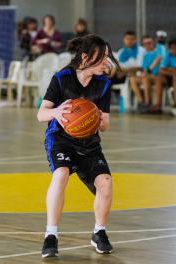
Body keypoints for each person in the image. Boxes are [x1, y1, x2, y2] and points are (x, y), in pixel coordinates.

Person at [37, 34, 119, 258]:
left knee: (106, 184)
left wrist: (101, 120)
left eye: (107, 57)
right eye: (102, 57)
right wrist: (55, 112)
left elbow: (106, 125)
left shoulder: (103, 84)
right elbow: (41, 114)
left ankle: (99, 232)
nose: (107, 61)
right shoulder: (62, 78)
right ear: (85, 57)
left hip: (89, 142)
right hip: (60, 138)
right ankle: (50, 235)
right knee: (61, 174)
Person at [129, 35, 163, 113]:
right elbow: (143, 68)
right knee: (132, 79)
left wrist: (146, 72)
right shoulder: (144, 55)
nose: (147, 45)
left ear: (153, 43)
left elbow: (157, 62)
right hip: (147, 75)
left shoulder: (158, 51)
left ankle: (148, 103)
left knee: (145, 78)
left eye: (149, 43)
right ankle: (142, 102)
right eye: (145, 44)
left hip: (156, 76)